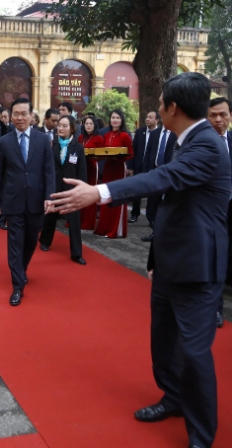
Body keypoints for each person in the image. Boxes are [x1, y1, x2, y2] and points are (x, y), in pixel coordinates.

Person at [47, 72, 230, 448]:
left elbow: (163, 178)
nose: (157, 109)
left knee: (194, 354)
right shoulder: (188, 139)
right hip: (168, 261)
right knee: (162, 341)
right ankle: (173, 398)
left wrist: (99, 192)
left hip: (197, 267)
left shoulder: (208, 146)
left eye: (160, 103)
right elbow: (172, 205)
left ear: (172, 107)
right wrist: (153, 256)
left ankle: (201, 436)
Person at [0, 98, 55, 307]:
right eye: (15, 113)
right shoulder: (4, 141)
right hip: (13, 201)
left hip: (36, 200)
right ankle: (17, 285)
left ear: (31, 116)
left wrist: (49, 196)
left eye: (23, 113)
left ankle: (22, 269)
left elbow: (48, 171)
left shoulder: (42, 139)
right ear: (10, 115)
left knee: (30, 242)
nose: (19, 117)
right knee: (15, 244)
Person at [39, 116, 87, 264]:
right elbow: (45, 168)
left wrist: (82, 189)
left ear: (72, 128)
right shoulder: (51, 144)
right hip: (54, 188)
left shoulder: (78, 148)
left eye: (64, 126)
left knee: (74, 221)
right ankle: (45, 241)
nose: (60, 128)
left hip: (71, 190)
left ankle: (77, 254)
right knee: (50, 216)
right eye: (59, 125)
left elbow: (82, 172)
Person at [207, 97, 232, 329]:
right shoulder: (201, 146)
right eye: (213, 115)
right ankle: (215, 307)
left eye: (223, 115)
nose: (218, 120)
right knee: (215, 261)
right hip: (212, 215)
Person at [95, 110, 133, 238]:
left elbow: (131, 153)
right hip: (107, 168)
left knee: (117, 196)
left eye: (117, 118)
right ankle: (104, 228)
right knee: (106, 196)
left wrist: (120, 159)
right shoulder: (106, 135)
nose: (115, 120)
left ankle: (115, 230)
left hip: (119, 168)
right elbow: (103, 152)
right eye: (113, 117)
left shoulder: (125, 136)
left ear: (121, 120)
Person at [141, 118, 177, 242]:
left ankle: (162, 233)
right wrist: (146, 171)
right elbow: (148, 152)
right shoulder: (155, 133)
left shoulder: (176, 133)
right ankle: (154, 230)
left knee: (165, 205)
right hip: (154, 172)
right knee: (153, 204)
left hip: (168, 175)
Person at [128, 111, 160, 223]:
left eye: (150, 117)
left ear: (157, 120)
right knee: (136, 190)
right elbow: (133, 150)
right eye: (146, 117)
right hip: (138, 165)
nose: (147, 119)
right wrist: (130, 167)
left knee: (152, 192)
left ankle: (151, 217)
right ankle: (134, 213)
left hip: (152, 166)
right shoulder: (140, 132)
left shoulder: (160, 133)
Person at [78, 116, 105, 230]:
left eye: (90, 124)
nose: (88, 125)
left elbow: (102, 155)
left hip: (92, 167)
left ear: (95, 126)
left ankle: (88, 222)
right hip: (80, 168)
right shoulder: (80, 137)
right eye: (86, 123)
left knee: (90, 194)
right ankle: (78, 220)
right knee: (80, 193)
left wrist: (93, 156)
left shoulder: (99, 138)